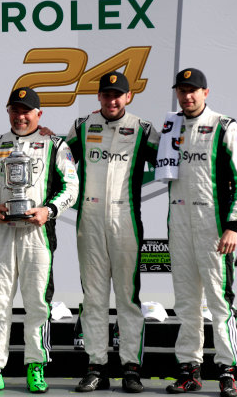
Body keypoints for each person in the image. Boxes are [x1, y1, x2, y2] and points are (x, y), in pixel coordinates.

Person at [0, 86, 79, 393]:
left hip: (37, 234)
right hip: (2, 233)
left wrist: (49, 210)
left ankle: (36, 366)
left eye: (26, 110)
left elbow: (71, 186)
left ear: (38, 114)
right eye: (15, 109)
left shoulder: (55, 144)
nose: (20, 115)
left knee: (37, 305)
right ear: (8, 112)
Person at [66, 71, 159, 393]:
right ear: (99, 97)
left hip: (126, 219)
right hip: (89, 218)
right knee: (93, 298)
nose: (112, 100)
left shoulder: (143, 129)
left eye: (118, 94)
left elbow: (172, 162)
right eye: (107, 94)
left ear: (129, 96)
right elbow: (59, 163)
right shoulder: (82, 126)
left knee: (127, 298)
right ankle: (96, 366)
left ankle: (131, 368)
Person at [163, 68, 237, 397]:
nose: (187, 96)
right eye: (182, 90)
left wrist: (233, 226)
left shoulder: (224, 126)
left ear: (206, 92)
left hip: (213, 225)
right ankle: (189, 370)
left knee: (219, 302)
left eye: (193, 90)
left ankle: (227, 371)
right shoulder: (169, 126)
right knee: (186, 303)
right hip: (179, 223)